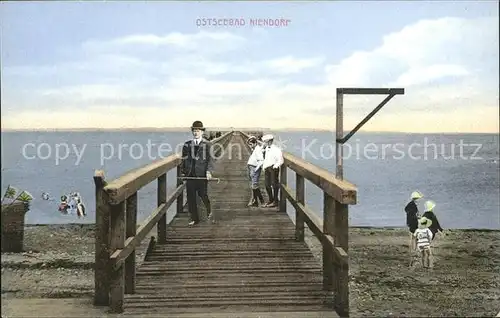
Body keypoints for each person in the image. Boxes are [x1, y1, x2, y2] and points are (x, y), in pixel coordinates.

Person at [181, 120, 215, 226]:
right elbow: (184, 159)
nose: (196, 133)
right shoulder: (187, 145)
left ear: (202, 132)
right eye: (194, 131)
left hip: (201, 174)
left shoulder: (207, 144)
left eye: (198, 131)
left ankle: (209, 211)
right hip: (190, 175)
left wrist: (209, 171)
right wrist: (183, 172)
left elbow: (211, 159)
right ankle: (194, 219)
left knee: (203, 194)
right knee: (191, 197)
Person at [261, 134, 284, 208]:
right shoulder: (267, 148)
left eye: (265, 141)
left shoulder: (276, 149)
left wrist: (275, 166)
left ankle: (275, 201)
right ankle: (270, 200)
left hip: (273, 168)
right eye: (264, 142)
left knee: (274, 185)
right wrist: (264, 167)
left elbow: (281, 160)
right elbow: (266, 159)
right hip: (267, 168)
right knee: (267, 185)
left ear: (270, 141)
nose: (264, 143)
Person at [246, 135, 265, 207]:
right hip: (251, 168)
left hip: (254, 168)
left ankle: (261, 201)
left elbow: (261, 160)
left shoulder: (257, 150)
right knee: (253, 185)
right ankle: (255, 202)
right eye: (249, 145)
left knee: (254, 185)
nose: (250, 146)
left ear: (255, 143)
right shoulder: (256, 149)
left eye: (251, 144)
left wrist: (256, 169)